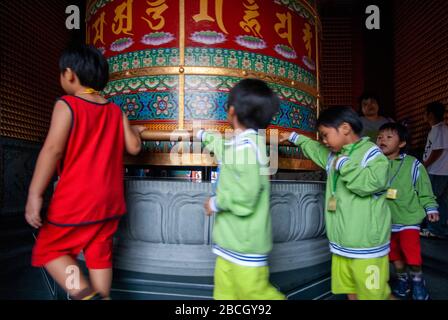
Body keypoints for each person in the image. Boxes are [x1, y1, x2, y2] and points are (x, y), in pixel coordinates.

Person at [25, 45, 146, 300]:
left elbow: (52, 151)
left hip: (77, 200)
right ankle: (103, 296)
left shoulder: (67, 104)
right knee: (99, 253)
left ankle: (84, 294)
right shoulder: (115, 110)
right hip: (110, 202)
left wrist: (35, 194)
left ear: (69, 74)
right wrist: (135, 132)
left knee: (49, 249)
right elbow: (134, 148)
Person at [280, 106, 392, 300]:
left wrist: (344, 164)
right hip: (341, 243)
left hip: (366, 246)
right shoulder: (333, 155)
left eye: (325, 135)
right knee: (349, 288)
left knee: (374, 294)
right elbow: (315, 149)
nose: (324, 141)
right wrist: (294, 137)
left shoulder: (372, 154)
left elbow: (370, 183)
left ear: (345, 128)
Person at [198, 78, 285, 300]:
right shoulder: (241, 142)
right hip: (229, 242)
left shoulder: (248, 149)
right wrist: (202, 135)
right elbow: (221, 146)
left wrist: (216, 203)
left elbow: (247, 195)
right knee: (225, 294)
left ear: (232, 111)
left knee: (255, 294)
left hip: (246, 246)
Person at [377, 123, 439, 300]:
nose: (382, 140)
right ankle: (403, 280)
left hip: (408, 219)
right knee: (394, 254)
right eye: (380, 137)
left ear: (402, 143)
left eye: (389, 137)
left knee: (411, 253)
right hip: (385, 221)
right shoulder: (375, 164)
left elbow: (424, 189)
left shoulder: (413, 164)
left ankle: (418, 282)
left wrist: (431, 207)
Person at [421, 102, 448, 238]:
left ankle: (433, 229)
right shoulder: (436, 129)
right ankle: (440, 229)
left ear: (430, 114)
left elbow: (438, 150)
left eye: (425, 113)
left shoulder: (440, 129)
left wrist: (425, 164)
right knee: (441, 201)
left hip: (438, 172)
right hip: (439, 172)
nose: (423, 116)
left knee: (431, 199)